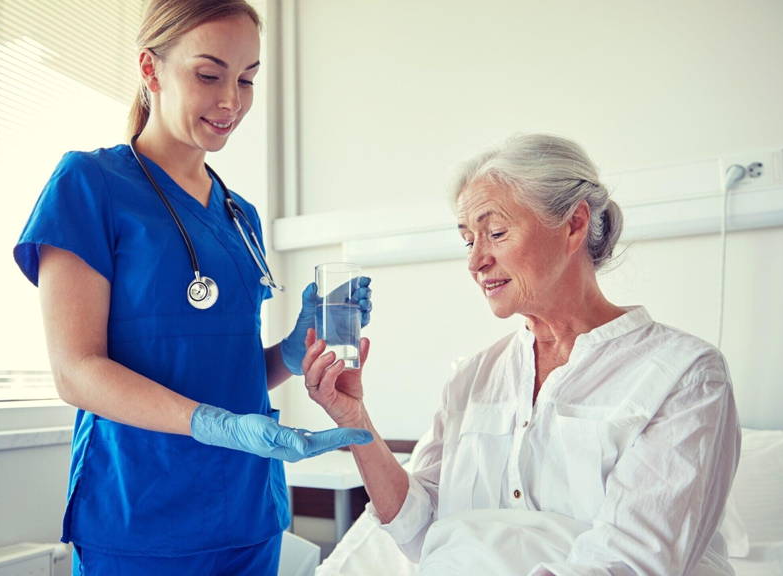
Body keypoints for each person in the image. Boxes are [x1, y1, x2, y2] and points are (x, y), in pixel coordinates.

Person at [12, 1, 372, 573]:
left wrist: (291, 350)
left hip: (249, 512)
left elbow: (226, 365)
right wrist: (215, 424)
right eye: (209, 75)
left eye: (247, 79)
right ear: (150, 70)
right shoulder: (89, 185)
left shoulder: (239, 215)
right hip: (141, 514)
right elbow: (75, 371)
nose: (232, 100)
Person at [302, 134, 741, 575]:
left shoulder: (684, 375)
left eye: (495, 233)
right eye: (467, 240)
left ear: (574, 225)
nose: (476, 261)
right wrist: (355, 420)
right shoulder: (472, 378)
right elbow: (420, 532)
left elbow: (628, 562)